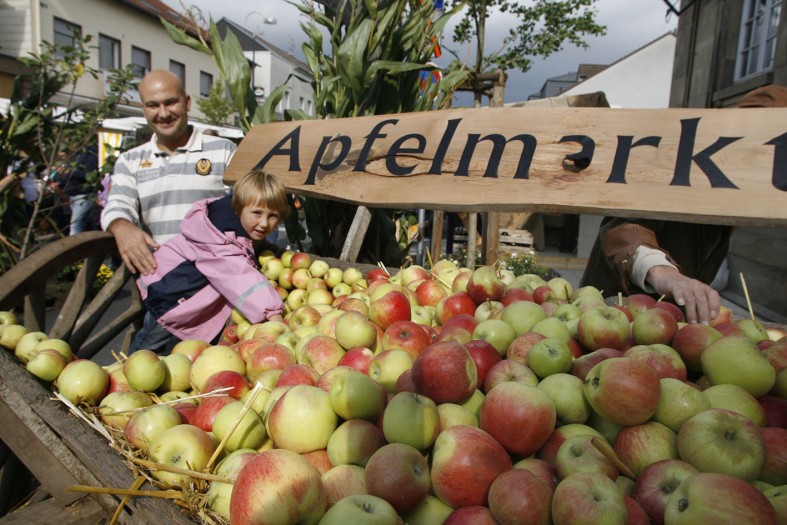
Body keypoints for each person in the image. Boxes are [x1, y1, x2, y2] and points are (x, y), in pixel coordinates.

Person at [580, 84, 787, 325]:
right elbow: (624, 225)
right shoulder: (675, 163)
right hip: (613, 315)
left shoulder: (740, 193)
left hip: (668, 326)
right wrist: (662, 272)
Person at [133, 169, 287, 352]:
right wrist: (273, 314)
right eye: (257, 213)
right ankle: (128, 366)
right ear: (238, 208)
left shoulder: (232, 224)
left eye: (272, 216)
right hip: (171, 294)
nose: (264, 223)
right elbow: (239, 276)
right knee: (148, 348)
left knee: (168, 350)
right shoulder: (221, 239)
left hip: (181, 289)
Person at [100, 69, 236, 275]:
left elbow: (246, 206)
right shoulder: (130, 161)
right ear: (143, 109)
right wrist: (120, 225)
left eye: (171, 102)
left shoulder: (224, 150)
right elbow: (119, 204)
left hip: (218, 277)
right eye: (153, 105)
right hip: (162, 281)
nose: (163, 114)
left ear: (187, 103)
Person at [52, 144, 100, 235]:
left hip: (84, 195)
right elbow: (67, 177)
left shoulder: (91, 155)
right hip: (73, 196)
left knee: (75, 226)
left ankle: (74, 244)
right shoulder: (74, 157)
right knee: (88, 226)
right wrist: (58, 179)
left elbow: (90, 176)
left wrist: (69, 172)